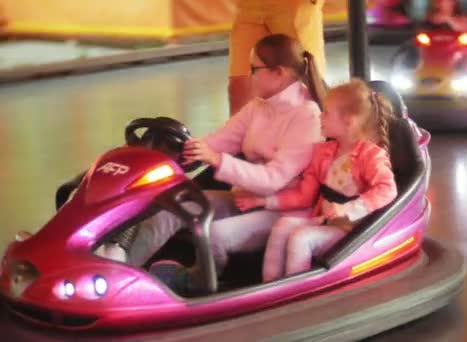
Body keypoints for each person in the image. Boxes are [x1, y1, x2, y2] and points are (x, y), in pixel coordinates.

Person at [97, 34, 326, 275]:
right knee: (171, 208)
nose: (250, 76)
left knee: (213, 234)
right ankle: (116, 270)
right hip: (244, 199)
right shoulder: (259, 106)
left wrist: (216, 160)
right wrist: (180, 152)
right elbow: (220, 140)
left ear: (278, 73)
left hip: (281, 210)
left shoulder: (306, 116)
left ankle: (193, 285)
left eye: (254, 68)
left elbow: (273, 179)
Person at [235, 79, 398, 282]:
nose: (320, 116)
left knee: (301, 239)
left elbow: (387, 189)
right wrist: (263, 201)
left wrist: (347, 209)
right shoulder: (324, 152)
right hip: (323, 221)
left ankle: (298, 292)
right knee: (282, 225)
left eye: (327, 113)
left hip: (351, 230)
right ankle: (270, 284)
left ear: (349, 122)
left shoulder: (370, 156)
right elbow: (304, 196)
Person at [228, 0, 327, 115]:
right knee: (240, 89)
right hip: (248, 6)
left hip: (293, 5)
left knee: (308, 84)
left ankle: (330, 128)